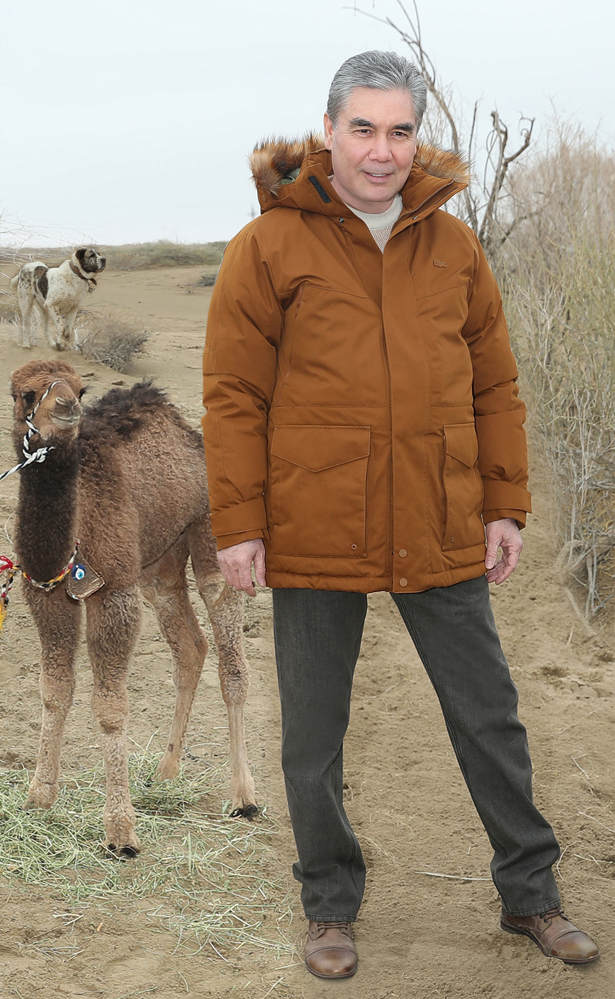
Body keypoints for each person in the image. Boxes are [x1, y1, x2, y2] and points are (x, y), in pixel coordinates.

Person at [201, 50, 599, 980]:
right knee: (314, 732)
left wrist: (503, 502)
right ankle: (330, 905)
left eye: (399, 130)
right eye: (363, 128)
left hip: (438, 513)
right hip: (311, 521)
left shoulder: (453, 246)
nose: (381, 151)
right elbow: (230, 397)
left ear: (417, 137)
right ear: (329, 130)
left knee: (488, 714)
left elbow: (494, 383)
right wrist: (238, 524)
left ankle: (531, 894)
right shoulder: (268, 247)